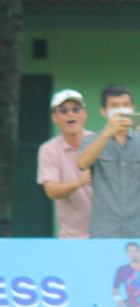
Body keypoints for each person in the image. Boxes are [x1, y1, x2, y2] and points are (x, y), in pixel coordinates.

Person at [77, 83, 140, 238]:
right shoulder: (91, 140)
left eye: (125, 105)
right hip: (104, 230)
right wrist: (106, 134)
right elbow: (82, 163)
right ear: (104, 112)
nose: (121, 110)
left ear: (133, 109)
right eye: (115, 106)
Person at [36, 89, 94, 238]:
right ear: (55, 117)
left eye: (76, 109)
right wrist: (79, 183)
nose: (70, 114)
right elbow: (52, 191)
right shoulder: (48, 150)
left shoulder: (99, 143)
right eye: (63, 110)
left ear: (85, 114)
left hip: (107, 234)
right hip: (72, 237)